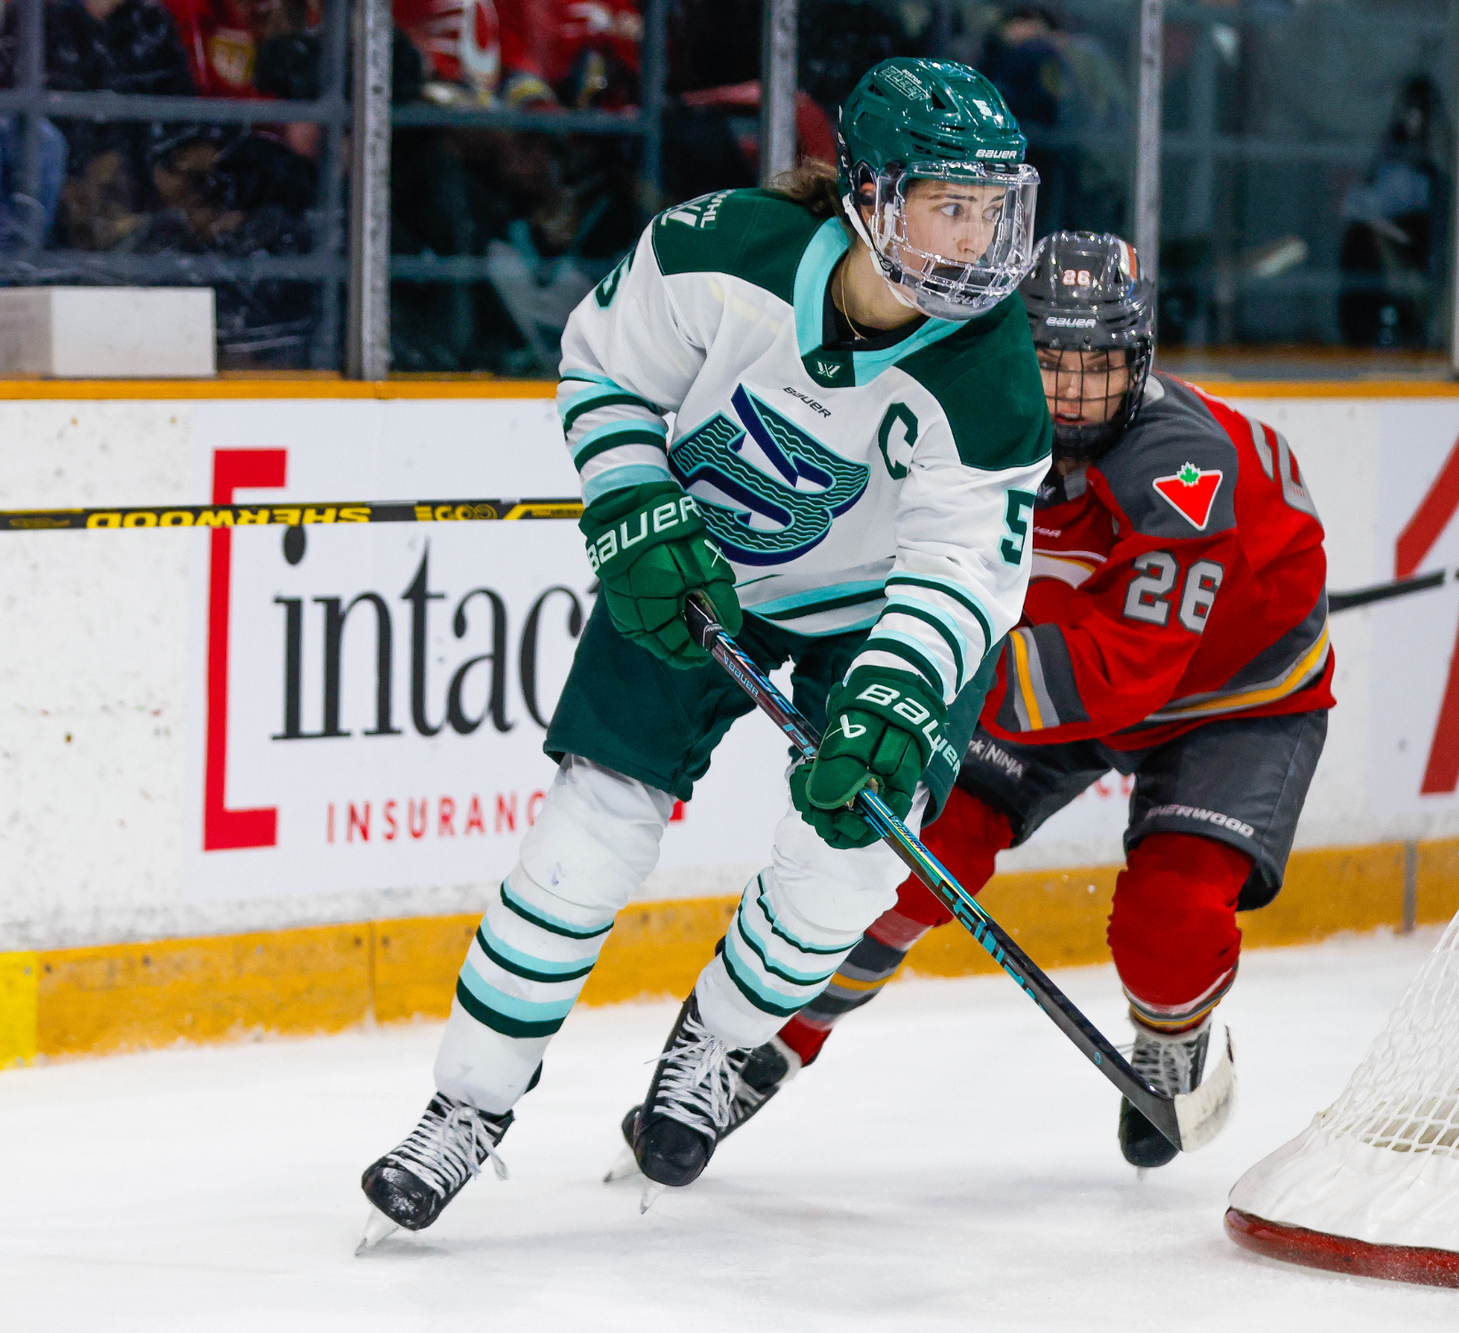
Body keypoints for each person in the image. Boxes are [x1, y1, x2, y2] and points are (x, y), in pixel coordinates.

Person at [358, 56, 1053, 1245]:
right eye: (950, 203)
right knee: (585, 837)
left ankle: (715, 1047)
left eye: (993, 208)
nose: (978, 239)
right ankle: (466, 1106)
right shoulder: (717, 249)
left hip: (879, 618)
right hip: (696, 572)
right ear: (868, 196)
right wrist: (631, 497)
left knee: (844, 864)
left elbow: (961, 570)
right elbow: (606, 371)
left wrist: (888, 700)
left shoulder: (990, 373)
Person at [712, 231, 1333, 1170]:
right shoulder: (957, 411)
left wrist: (924, 683)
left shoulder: (1182, 466)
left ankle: (1174, 1027)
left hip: (1233, 692)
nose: (1076, 392)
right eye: (1051, 363)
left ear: (1142, 360)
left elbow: (1119, 674)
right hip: (1063, 650)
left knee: (1169, 923)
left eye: (1100, 365)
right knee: (909, 862)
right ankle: (773, 1038)